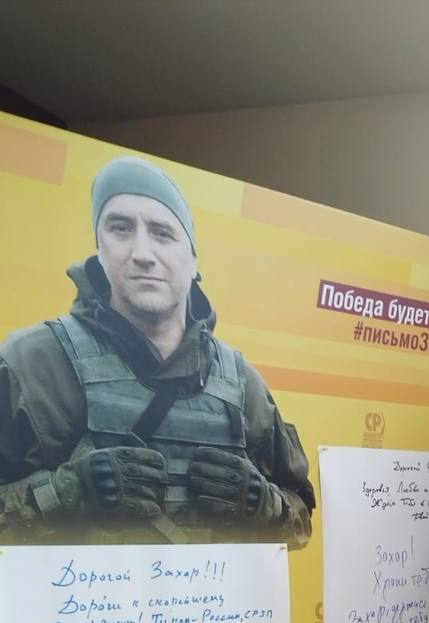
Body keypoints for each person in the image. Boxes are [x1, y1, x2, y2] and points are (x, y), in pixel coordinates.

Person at [0, 155, 315, 546]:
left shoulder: (243, 386)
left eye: (163, 233)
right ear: (99, 247)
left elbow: (301, 518)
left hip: (210, 589)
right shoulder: (32, 365)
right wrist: (64, 494)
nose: (142, 253)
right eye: (120, 228)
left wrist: (262, 505)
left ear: (193, 259)